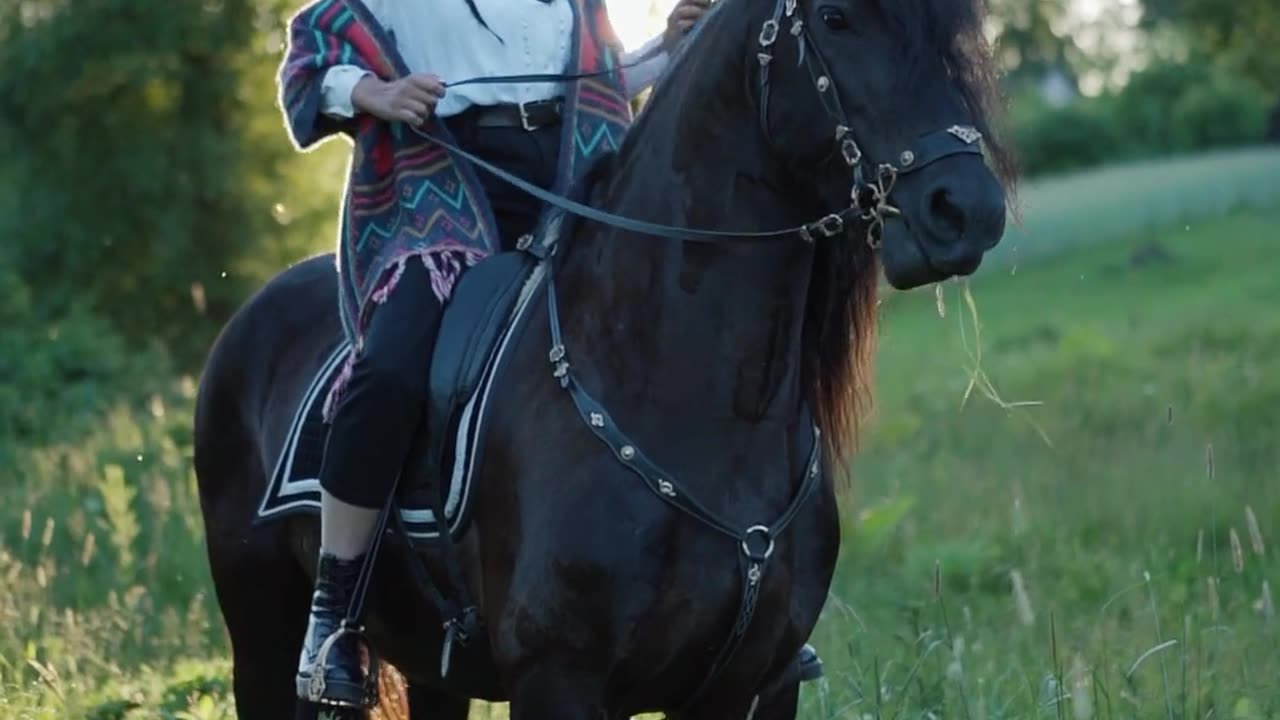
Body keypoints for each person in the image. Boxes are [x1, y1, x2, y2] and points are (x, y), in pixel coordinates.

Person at [278, 0, 818, 709]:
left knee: (685, 338)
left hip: (574, 175)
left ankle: (742, 608)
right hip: (441, 186)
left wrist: (668, 48)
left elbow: (598, 84)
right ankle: (336, 613)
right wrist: (373, 93)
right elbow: (309, 62)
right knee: (389, 369)